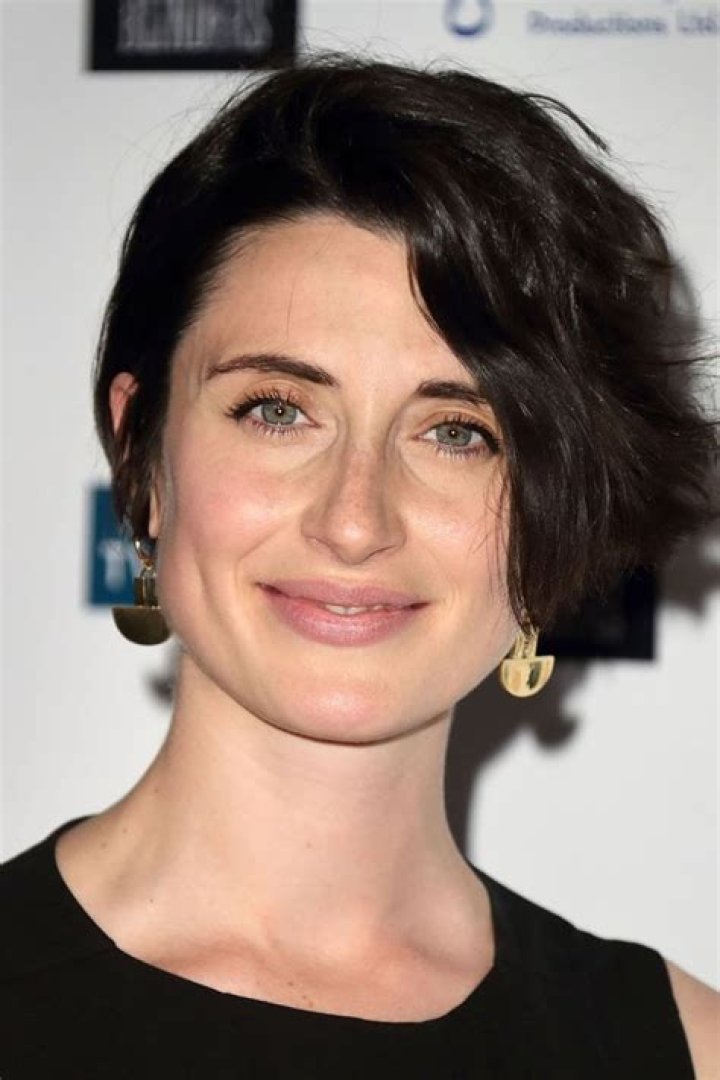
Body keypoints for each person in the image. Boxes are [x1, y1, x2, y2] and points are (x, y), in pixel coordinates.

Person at [1, 57, 717, 1078]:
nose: (354, 521)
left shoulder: (684, 1049)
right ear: (142, 450)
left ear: (556, 509)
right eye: (277, 411)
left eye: (458, 432)